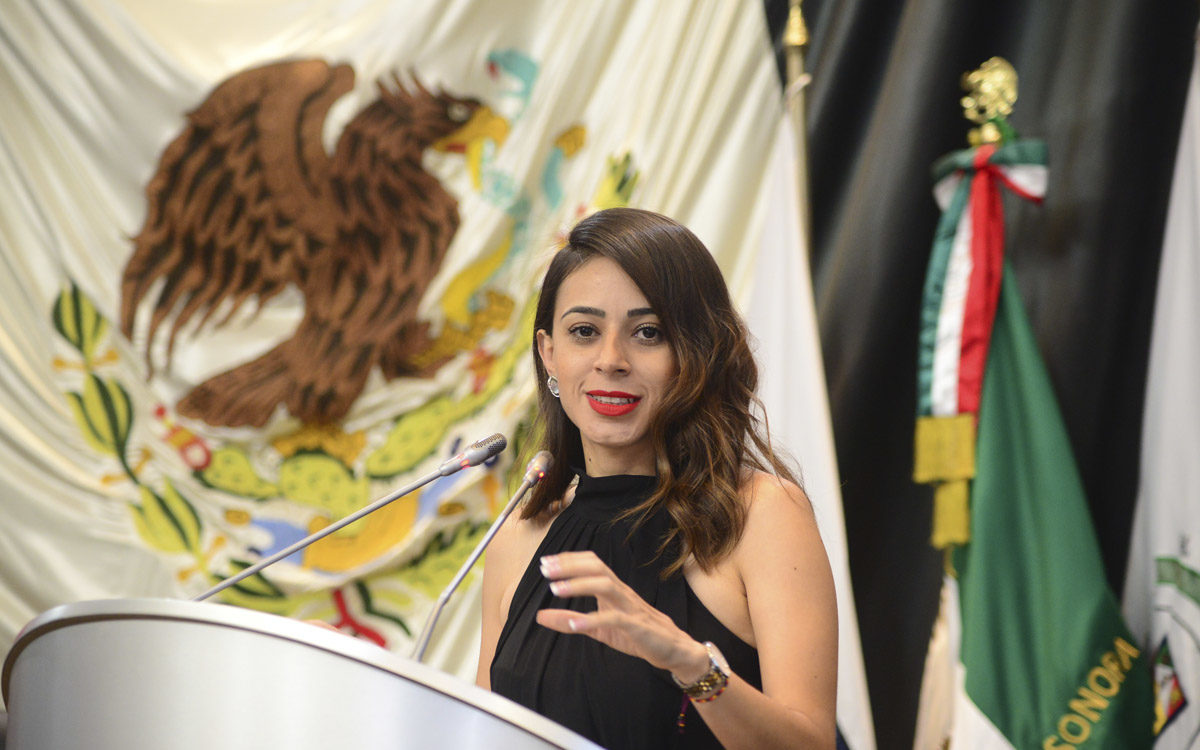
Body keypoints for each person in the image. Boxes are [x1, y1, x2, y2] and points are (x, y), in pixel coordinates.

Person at [477, 207, 838, 749]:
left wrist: (691, 666)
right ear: (549, 354)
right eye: (584, 331)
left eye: (648, 333)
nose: (611, 360)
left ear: (695, 353)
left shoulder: (760, 514)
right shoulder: (519, 534)